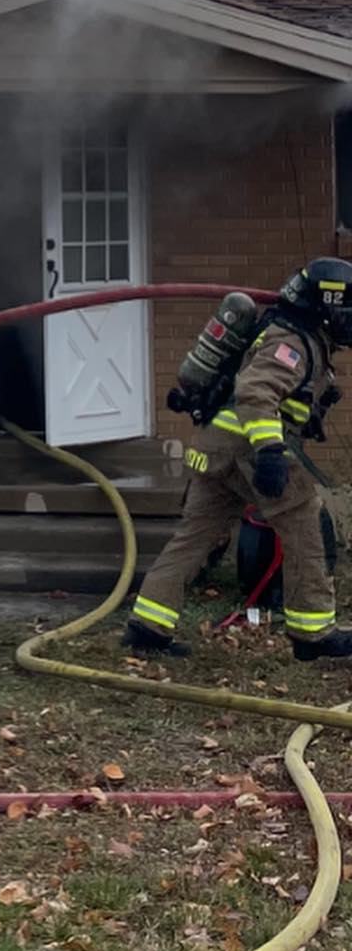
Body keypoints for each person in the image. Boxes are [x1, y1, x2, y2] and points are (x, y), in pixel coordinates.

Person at [127, 257, 352, 660]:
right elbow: (255, 392)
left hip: (216, 449)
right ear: (326, 306)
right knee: (305, 526)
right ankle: (313, 633)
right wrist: (270, 451)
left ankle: (148, 626)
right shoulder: (293, 342)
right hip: (249, 449)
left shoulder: (289, 332)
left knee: (195, 536)